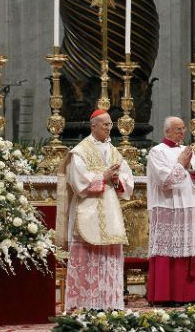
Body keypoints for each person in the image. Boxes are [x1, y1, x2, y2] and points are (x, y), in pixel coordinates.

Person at [55, 109, 135, 310]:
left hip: (110, 210)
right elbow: (78, 182)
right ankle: (86, 304)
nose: (109, 128)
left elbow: (127, 178)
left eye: (110, 125)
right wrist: (104, 177)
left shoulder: (113, 151)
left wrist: (117, 181)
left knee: (109, 257)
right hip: (87, 209)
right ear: (93, 126)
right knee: (88, 258)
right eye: (104, 125)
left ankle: (109, 304)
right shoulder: (80, 151)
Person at [145, 116, 195, 305]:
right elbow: (164, 180)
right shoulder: (157, 152)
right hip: (167, 206)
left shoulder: (187, 150)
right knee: (167, 250)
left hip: (188, 205)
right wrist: (181, 164)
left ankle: (188, 295)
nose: (182, 132)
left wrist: (190, 165)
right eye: (178, 129)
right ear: (167, 131)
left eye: (183, 129)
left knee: (186, 250)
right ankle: (166, 295)